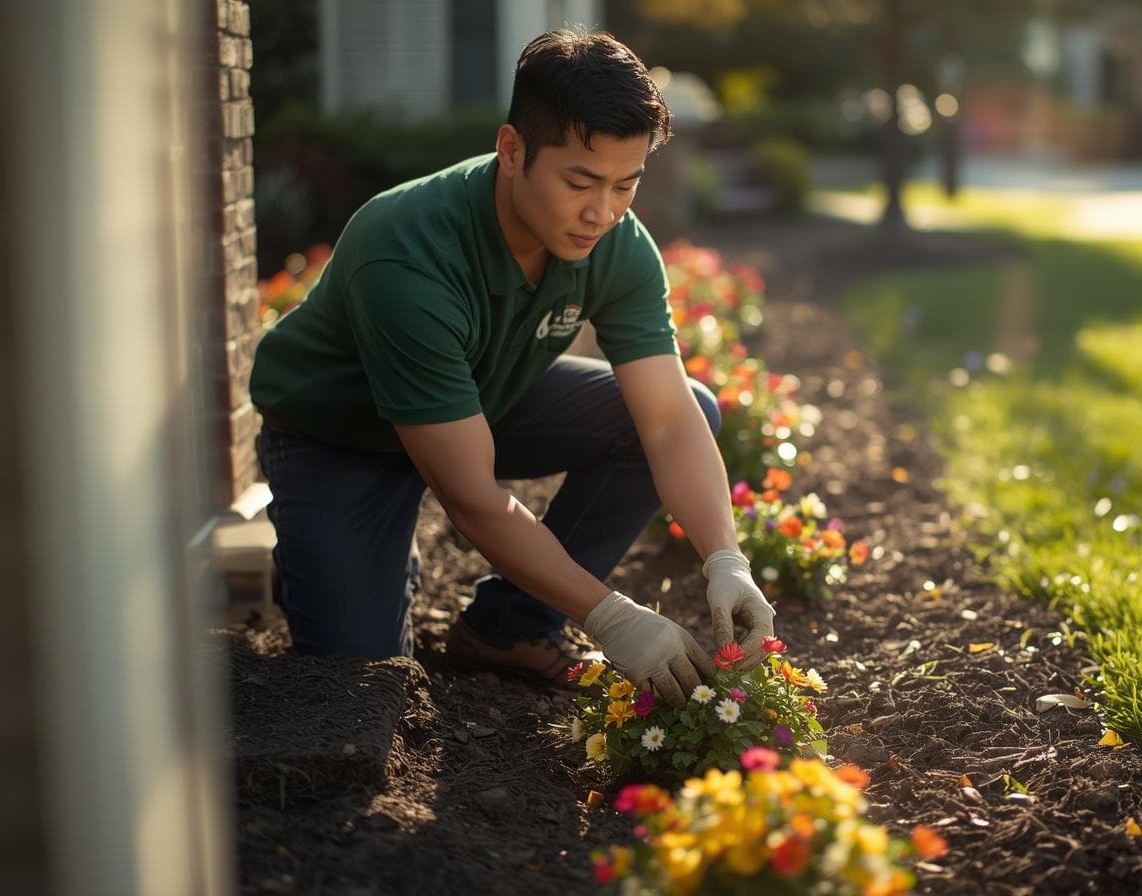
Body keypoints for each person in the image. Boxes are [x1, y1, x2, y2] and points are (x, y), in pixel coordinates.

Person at [247, 29, 774, 705]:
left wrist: (727, 560)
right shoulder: (405, 256)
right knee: (359, 683)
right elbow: (470, 496)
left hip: (482, 393)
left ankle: (508, 627)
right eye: (580, 182)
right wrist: (612, 617)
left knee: (690, 405)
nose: (602, 212)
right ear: (512, 150)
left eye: (625, 185)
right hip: (340, 436)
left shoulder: (617, 243)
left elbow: (668, 423)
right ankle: (321, 555)